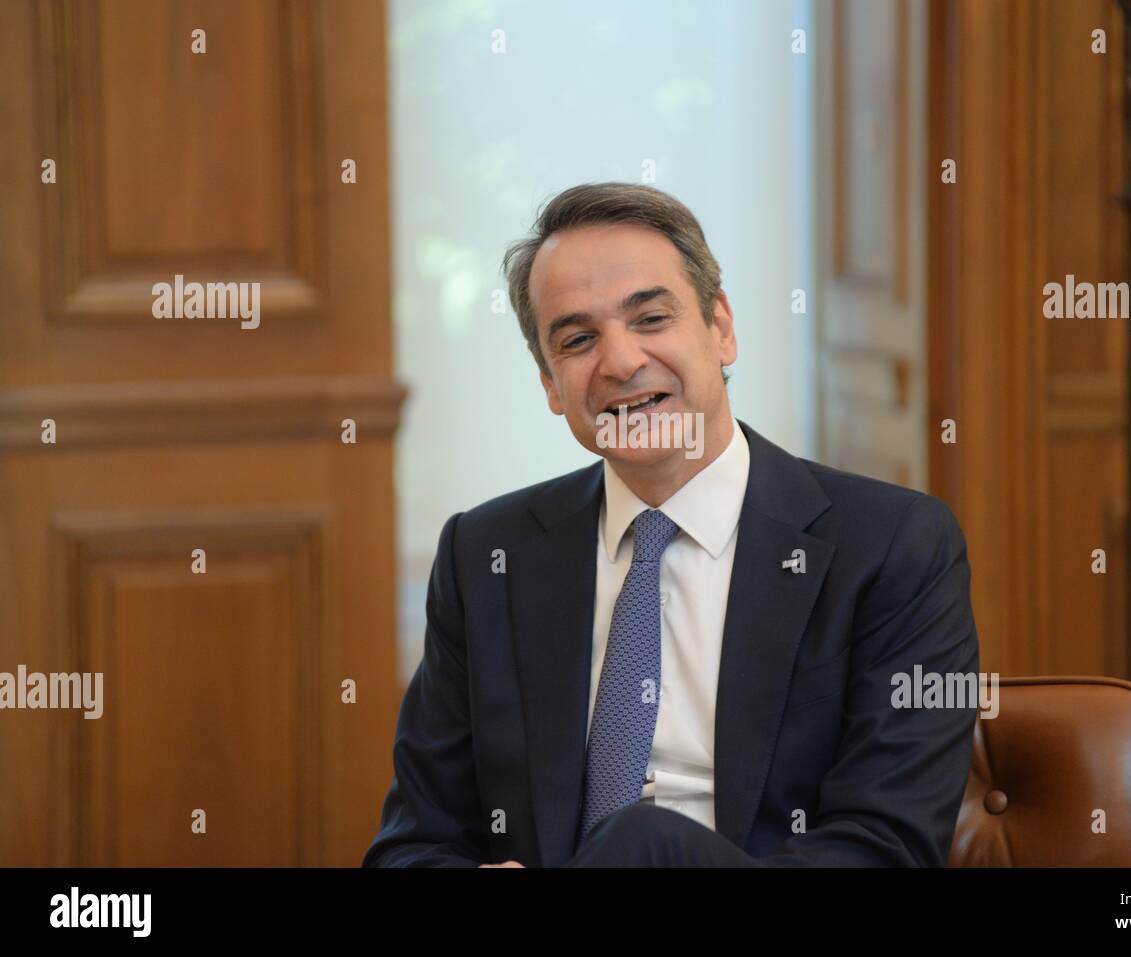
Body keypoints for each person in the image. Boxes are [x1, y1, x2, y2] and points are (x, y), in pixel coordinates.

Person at [363, 182, 979, 867]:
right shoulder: (486, 556)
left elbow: (885, 847)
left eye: (650, 318)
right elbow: (412, 845)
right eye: (578, 339)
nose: (622, 362)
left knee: (641, 840)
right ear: (550, 385)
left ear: (721, 328)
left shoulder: (892, 546)